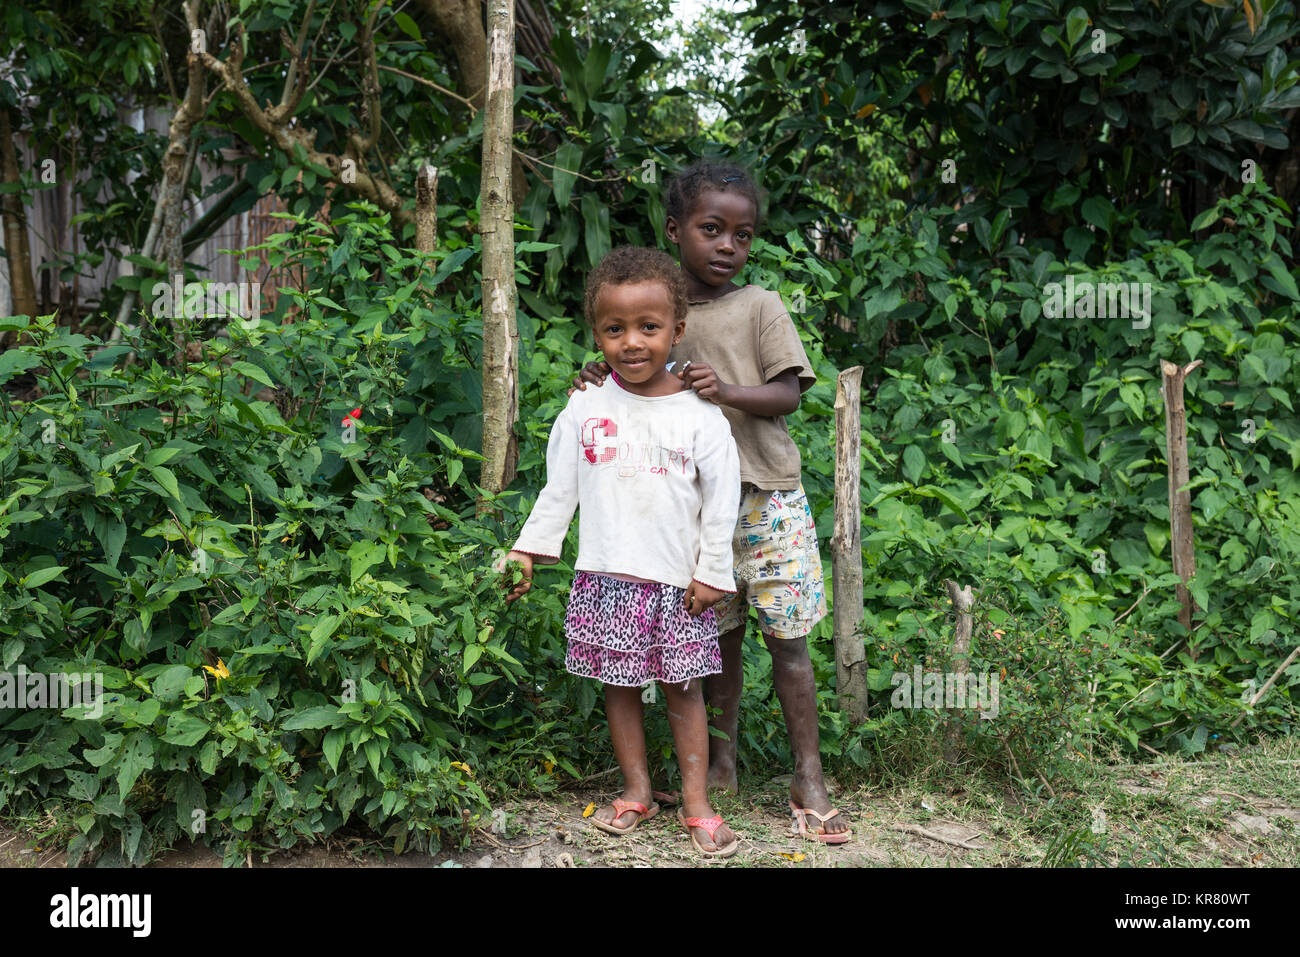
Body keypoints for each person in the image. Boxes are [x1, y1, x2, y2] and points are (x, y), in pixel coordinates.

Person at [572, 162, 852, 843]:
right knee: (713, 643)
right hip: (692, 514)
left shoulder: (761, 306)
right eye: (711, 229)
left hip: (769, 500)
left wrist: (724, 390)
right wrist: (598, 377)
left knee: (789, 642)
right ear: (675, 231)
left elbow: (790, 392)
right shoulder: (660, 313)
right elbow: (631, 376)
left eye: (743, 234)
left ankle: (807, 775)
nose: (728, 245)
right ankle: (720, 764)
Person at [503, 245, 743, 857]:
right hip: (607, 580)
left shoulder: (701, 419)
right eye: (614, 329)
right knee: (619, 688)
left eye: (648, 327)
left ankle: (695, 803)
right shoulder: (585, 408)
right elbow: (560, 487)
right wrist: (528, 550)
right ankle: (635, 789)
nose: (631, 342)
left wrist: (713, 570)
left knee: (684, 690)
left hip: (676, 587)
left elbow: (721, 503)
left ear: (677, 330)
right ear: (596, 333)